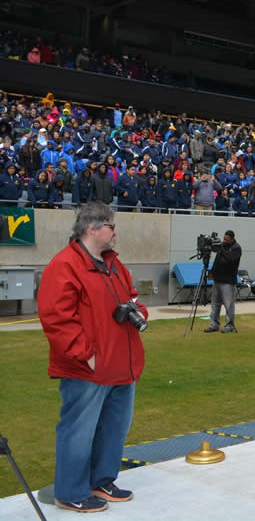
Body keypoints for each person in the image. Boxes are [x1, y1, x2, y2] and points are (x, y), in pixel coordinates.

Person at [37, 202, 147, 513]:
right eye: (111, 226)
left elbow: (132, 297)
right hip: (88, 368)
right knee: (78, 431)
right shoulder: (65, 265)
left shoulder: (114, 264)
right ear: (92, 229)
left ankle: (102, 480)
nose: (115, 232)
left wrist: (138, 311)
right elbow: (57, 318)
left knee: (114, 428)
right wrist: (86, 356)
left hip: (121, 365)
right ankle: (70, 491)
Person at [204, 230, 242, 333]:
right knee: (215, 303)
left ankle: (229, 326)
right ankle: (214, 324)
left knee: (228, 304)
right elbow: (217, 260)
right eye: (224, 239)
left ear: (232, 239)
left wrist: (221, 249)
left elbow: (230, 260)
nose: (224, 241)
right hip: (218, 279)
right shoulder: (222, 246)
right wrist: (212, 272)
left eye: (227, 240)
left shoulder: (236, 248)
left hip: (228, 281)